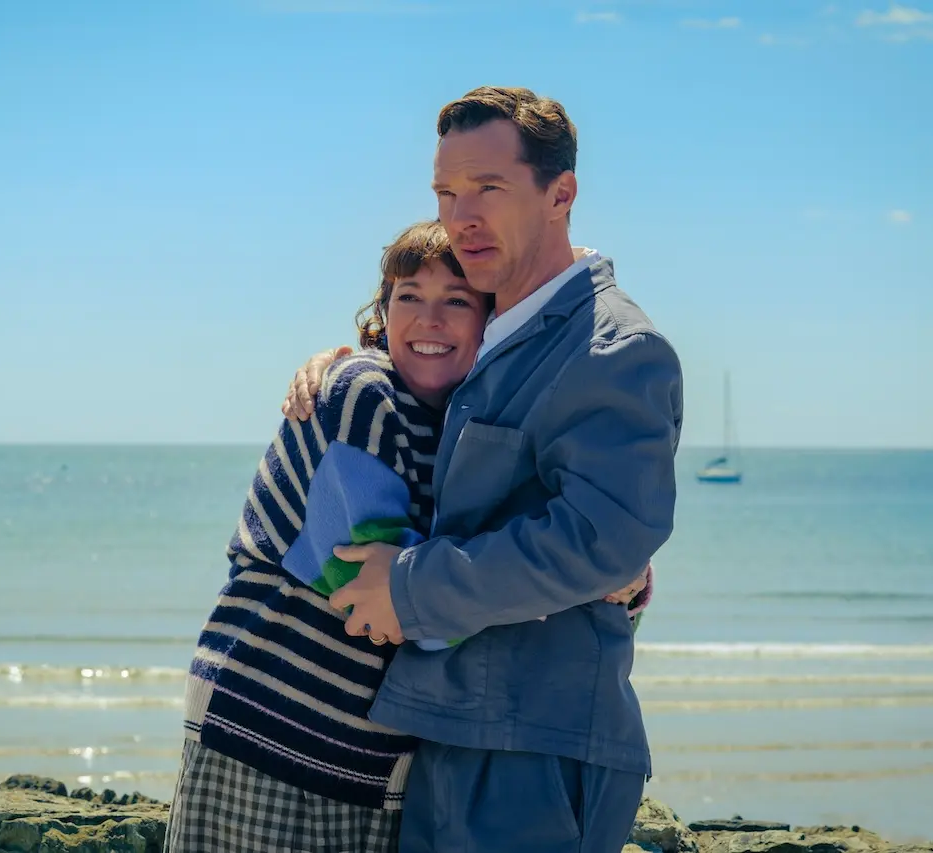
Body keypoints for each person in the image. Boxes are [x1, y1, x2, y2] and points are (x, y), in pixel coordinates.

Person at [280, 86, 683, 853]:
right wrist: (347, 364)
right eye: (446, 192)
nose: (460, 216)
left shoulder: (614, 348)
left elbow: (601, 540)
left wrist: (408, 588)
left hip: (536, 749)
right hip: (451, 734)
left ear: (560, 194)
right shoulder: (496, 326)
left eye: (488, 188)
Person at [165, 220, 651, 853]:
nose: (429, 319)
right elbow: (381, 601)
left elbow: (507, 544)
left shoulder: (465, 426)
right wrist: (578, 577)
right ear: (383, 312)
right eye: (408, 296)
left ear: (492, 322)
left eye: (457, 301)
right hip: (269, 726)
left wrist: (609, 566)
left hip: (372, 755)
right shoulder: (361, 395)